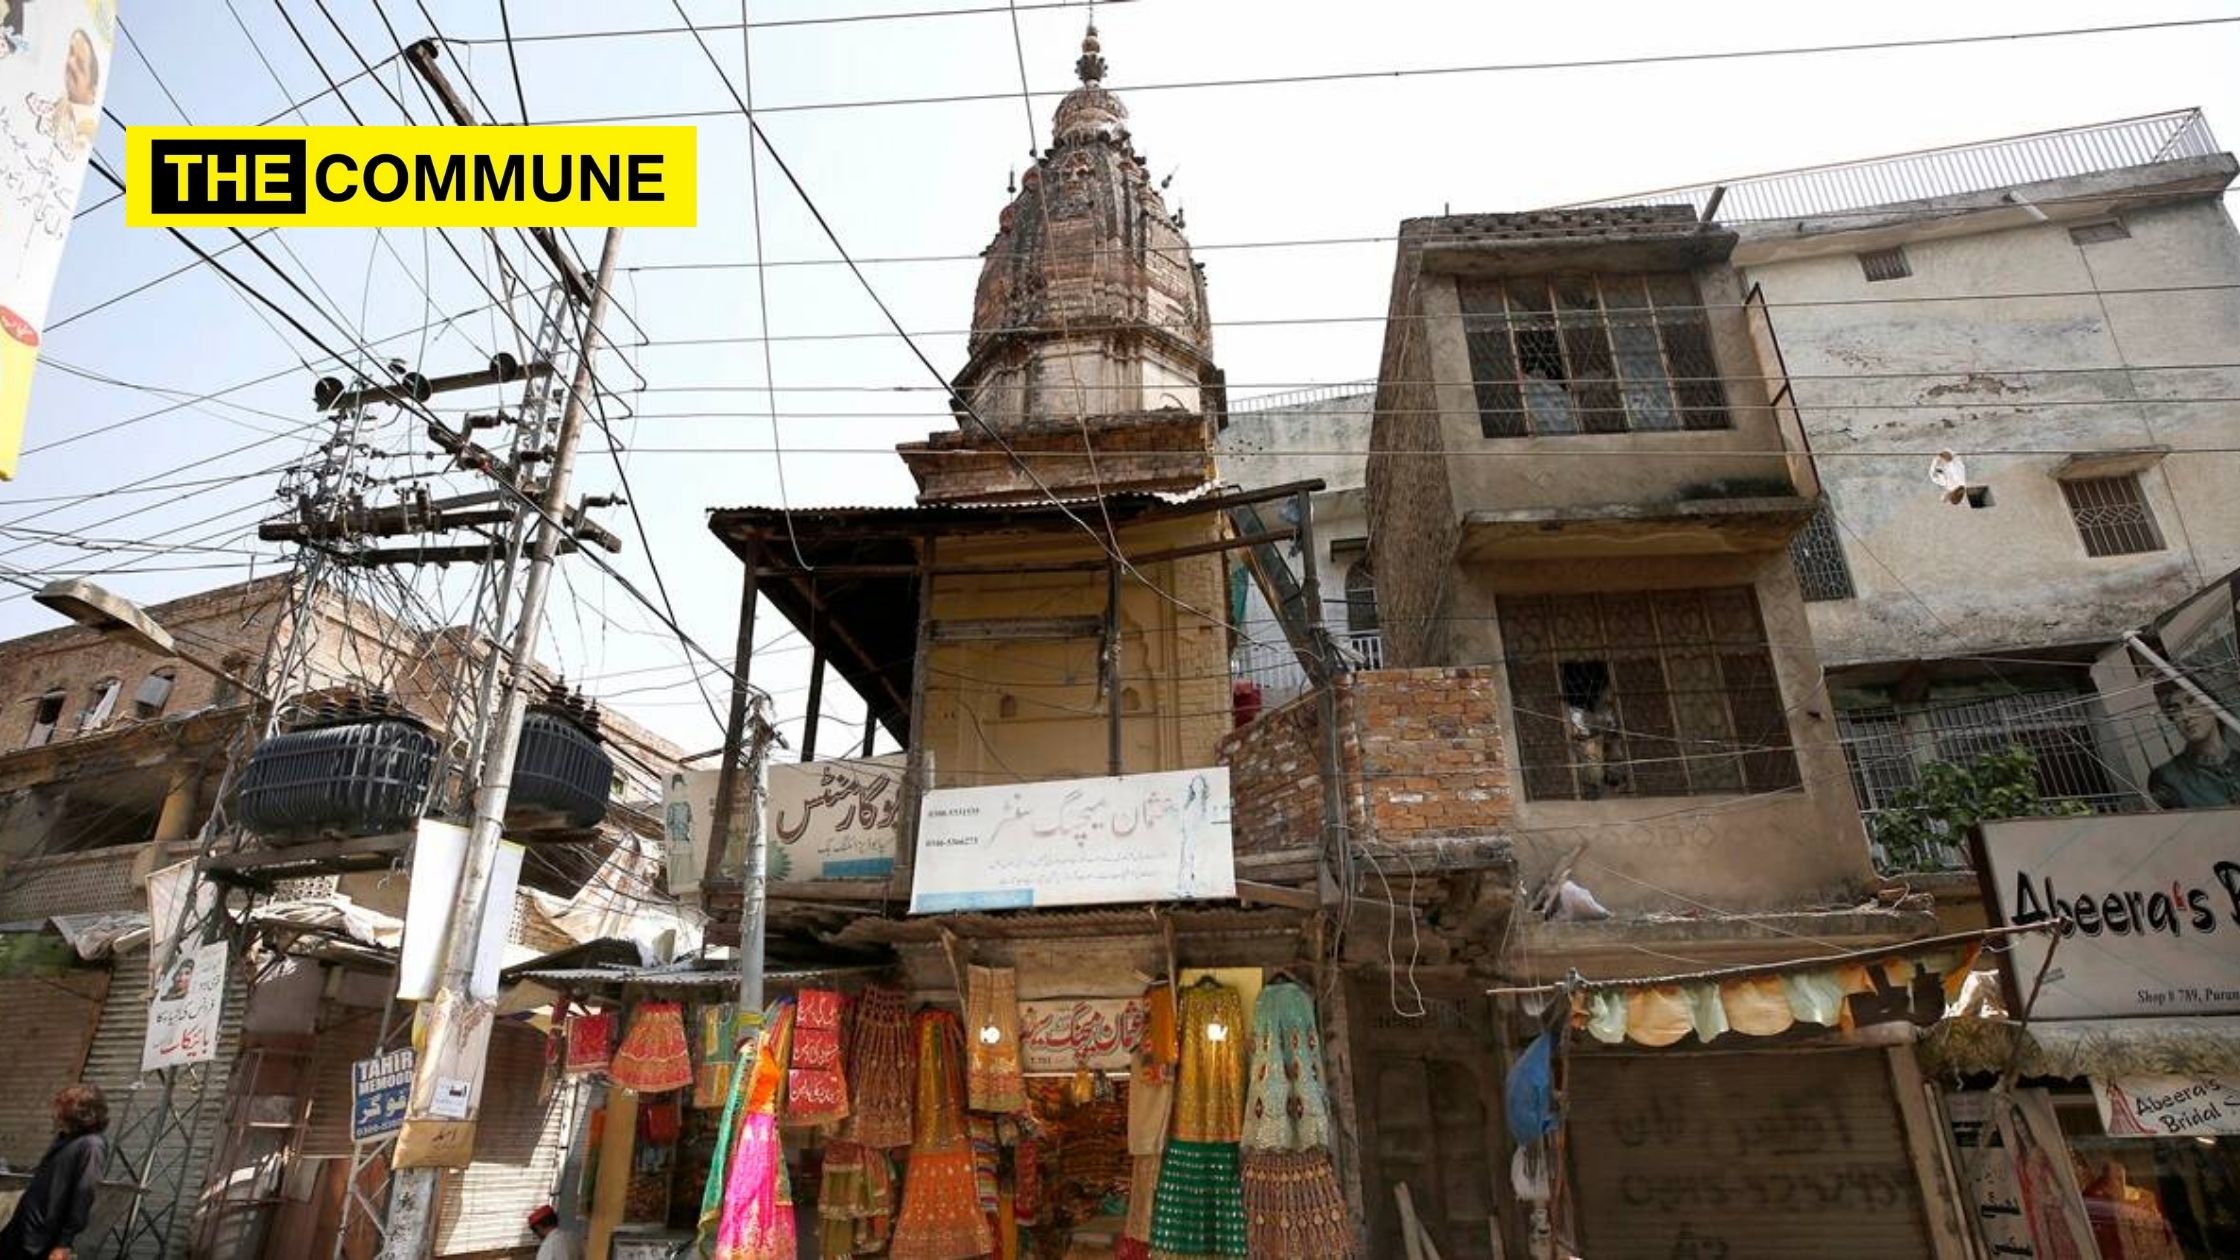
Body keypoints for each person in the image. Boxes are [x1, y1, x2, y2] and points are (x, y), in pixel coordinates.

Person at [0, 1084, 108, 1260]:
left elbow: (84, 1193)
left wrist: (64, 1243)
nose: (54, 1113)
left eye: (60, 1107)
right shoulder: (64, 1140)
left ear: (78, 1111)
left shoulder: (91, 1145)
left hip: (41, 1241)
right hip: (21, 1232)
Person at [2147, 679, 2240, 809]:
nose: (2185, 715)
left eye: (2191, 701)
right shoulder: (2167, 778)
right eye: (2175, 709)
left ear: (2212, 704)